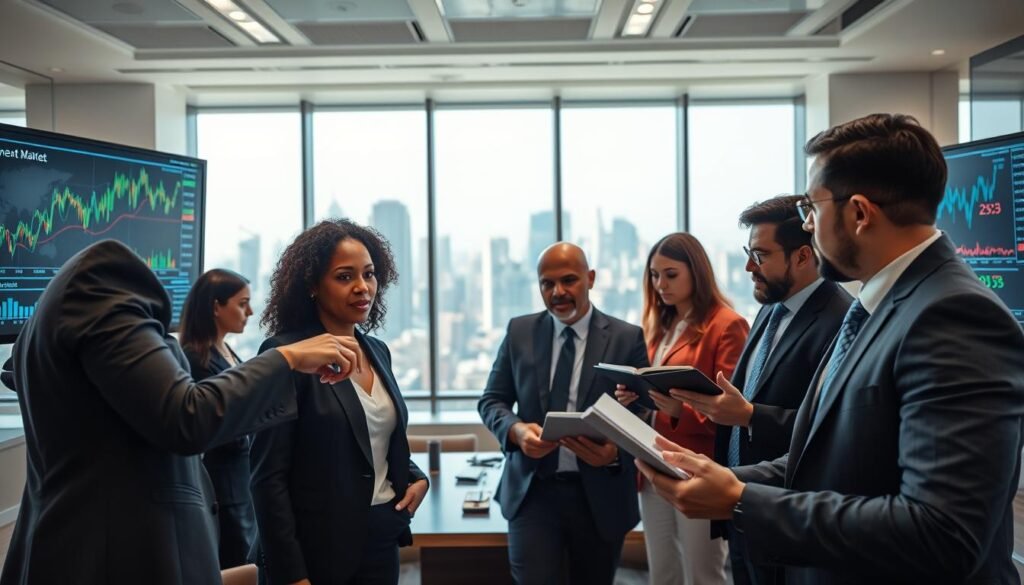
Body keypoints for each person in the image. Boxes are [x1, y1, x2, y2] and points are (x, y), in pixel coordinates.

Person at [636, 113, 1024, 585]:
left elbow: (942, 532)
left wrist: (742, 500)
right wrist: (727, 478)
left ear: (859, 213)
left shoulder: (955, 316)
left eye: (812, 210)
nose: (808, 226)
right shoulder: (879, 303)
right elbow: (826, 460)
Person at [0, 239, 359, 585]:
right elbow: (186, 418)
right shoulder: (98, 280)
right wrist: (287, 358)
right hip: (114, 561)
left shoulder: (45, 316)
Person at [671, 196, 850, 585]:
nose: (750, 266)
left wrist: (751, 416)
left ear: (802, 256)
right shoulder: (771, 307)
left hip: (787, 516)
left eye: (760, 255)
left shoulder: (839, 321)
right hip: (741, 509)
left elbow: (833, 432)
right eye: (748, 253)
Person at [250, 219, 429, 585]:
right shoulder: (287, 355)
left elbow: (374, 438)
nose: (363, 287)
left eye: (369, 274)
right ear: (313, 286)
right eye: (345, 277)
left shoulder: (377, 351)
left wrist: (415, 477)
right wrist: (291, 574)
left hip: (380, 540)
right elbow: (267, 479)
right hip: (315, 551)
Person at [477, 242, 649, 585]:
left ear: (591, 279)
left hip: (600, 495)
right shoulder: (519, 332)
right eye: (547, 283)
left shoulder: (626, 337)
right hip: (533, 492)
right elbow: (492, 401)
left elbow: (643, 412)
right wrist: (516, 432)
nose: (558, 292)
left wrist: (614, 453)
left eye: (569, 280)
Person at [615, 232, 749, 585]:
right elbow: (657, 395)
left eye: (670, 274)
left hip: (698, 465)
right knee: (663, 572)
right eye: (655, 275)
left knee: (703, 573)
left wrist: (678, 410)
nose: (660, 284)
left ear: (697, 272)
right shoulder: (659, 326)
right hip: (654, 461)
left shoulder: (726, 325)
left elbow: (730, 411)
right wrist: (636, 399)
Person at [179, 268, 258, 569]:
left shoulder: (226, 352)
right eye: (242, 303)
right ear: (215, 307)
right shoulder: (194, 359)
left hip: (243, 478)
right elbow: (216, 423)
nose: (249, 311)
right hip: (224, 485)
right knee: (235, 561)